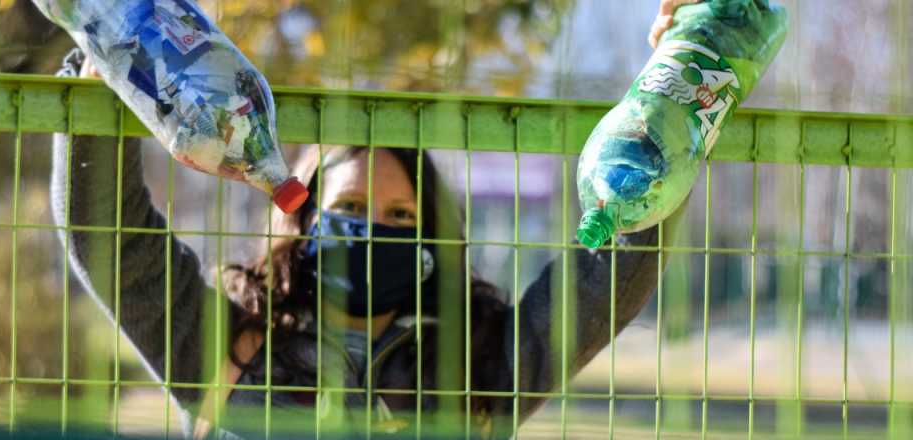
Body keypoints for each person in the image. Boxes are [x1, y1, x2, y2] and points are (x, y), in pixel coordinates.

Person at [52, 1, 695, 438]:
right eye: (351, 209)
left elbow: (609, 277)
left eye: (398, 215)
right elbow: (111, 244)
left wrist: (672, 99)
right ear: (301, 219)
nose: (371, 230)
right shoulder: (228, 341)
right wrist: (105, 68)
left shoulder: (480, 363)